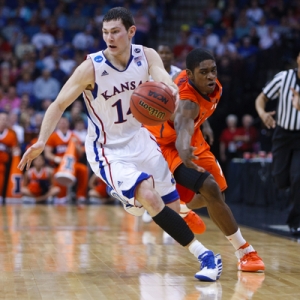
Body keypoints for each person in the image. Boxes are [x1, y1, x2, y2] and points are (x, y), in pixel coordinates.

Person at [18, 7, 222, 281]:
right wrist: (41, 141)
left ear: (131, 32)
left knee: (170, 213)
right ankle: (206, 256)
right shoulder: (91, 67)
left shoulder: (146, 55)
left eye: (115, 32)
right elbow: (59, 103)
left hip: (141, 139)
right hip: (108, 149)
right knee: (148, 195)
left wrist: (169, 87)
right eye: (105, 32)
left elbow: (160, 74)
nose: (109, 38)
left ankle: (143, 202)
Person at [146, 48, 265, 272]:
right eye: (204, 72)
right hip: (165, 143)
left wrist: (204, 125)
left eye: (214, 70)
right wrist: (184, 150)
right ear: (190, 75)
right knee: (208, 186)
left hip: (193, 135)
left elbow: (194, 119)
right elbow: (183, 123)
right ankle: (245, 252)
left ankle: (182, 207)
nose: (211, 76)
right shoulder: (187, 101)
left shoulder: (209, 85)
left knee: (217, 195)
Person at [144, 43, 206, 234]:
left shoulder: (182, 74)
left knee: (176, 168)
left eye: (166, 52)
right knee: (153, 165)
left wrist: (206, 125)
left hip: (176, 126)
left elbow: (195, 101)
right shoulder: (146, 74)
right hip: (152, 125)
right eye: (160, 52)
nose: (164, 55)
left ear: (172, 54)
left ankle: (180, 208)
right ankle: (157, 204)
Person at [255, 51, 300, 236]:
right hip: (282, 134)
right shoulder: (284, 77)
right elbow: (261, 98)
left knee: (298, 177)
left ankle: (295, 222)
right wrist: (263, 113)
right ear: (297, 58)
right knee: (280, 179)